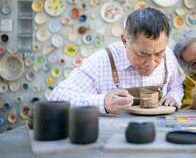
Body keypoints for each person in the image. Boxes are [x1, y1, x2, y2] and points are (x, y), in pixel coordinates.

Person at [49, 8, 183, 114]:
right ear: (124, 41)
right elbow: (57, 98)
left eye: (158, 54)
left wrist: (174, 96)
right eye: (142, 54)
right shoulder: (101, 62)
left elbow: (176, 86)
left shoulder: (169, 56)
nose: (151, 63)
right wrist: (102, 102)